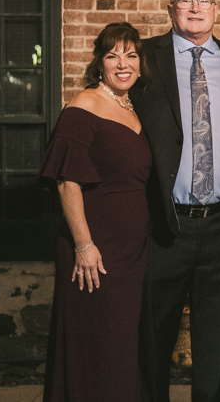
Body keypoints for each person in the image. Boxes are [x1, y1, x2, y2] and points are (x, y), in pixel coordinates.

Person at [131, 0, 220, 402]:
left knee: (218, 340)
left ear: (217, 9)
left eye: (204, 1)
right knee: (152, 336)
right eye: (184, 1)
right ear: (169, 9)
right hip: (164, 223)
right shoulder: (144, 57)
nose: (195, 8)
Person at [39, 22, 152, 401]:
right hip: (95, 246)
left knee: (120, 345)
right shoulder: (83, 106)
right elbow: (66, 181)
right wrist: (84, 245)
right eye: (112, 55)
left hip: (131, 249)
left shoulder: (132, 106)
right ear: (99, 63)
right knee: (97, 344)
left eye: (131, 55)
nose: (123, 63)